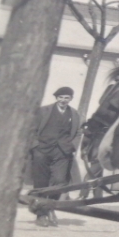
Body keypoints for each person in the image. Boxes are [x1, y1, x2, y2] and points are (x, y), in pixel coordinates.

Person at [28, 87, 81, 227]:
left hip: (62, 152)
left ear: (71, 99)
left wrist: (73, 146)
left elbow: (78, 133)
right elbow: (31, 128)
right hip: (42, 150)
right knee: (41, 183)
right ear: (56, 98)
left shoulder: (74, 114)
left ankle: (51, 209)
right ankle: (41, 215)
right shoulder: (43, 111)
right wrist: (35, 146)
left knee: (59, 182)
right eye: (61, 97)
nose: (63, 100)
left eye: (67, 98)